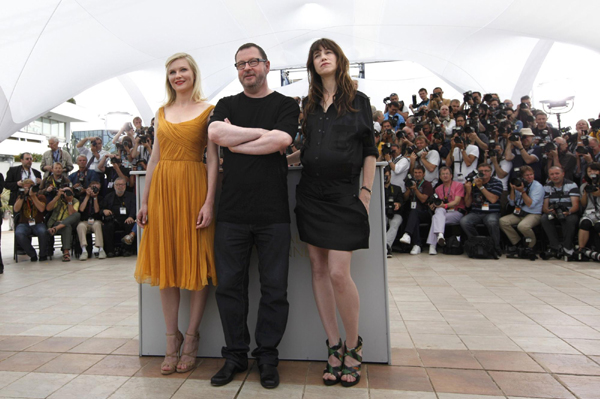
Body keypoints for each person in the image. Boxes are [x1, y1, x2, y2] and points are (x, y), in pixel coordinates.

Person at [208, 43, 298, 389]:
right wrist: (264, 135)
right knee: (229, 287)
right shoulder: (227, 104)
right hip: (231, 212)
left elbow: (283, 140)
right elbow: (216, 133)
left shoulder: (285, 104)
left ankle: (267, 356)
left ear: (267, 66)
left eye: (253, 62)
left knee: (275, 289)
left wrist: (237, 141)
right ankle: (234, 354)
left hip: (273, 212)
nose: (247, 68)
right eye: (241, 64)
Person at [292, 38, 377, 388]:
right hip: (310, 195)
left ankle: (354, 346)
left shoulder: (360, 102)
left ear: (338, 60)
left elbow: (369, 150)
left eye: (327, 52)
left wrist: (366, 193)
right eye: (316, 53)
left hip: (344, 197)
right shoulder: (308, 104)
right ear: (312, 64)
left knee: (339, 274)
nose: (322, 57)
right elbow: (307, 150)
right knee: (317, 270)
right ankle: (333, 345)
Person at [134, 52, 218, 376]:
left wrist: (209, 201)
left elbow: (212, 159)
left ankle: (192, 337)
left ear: (193, 74)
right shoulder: (161, 111)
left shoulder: (208, 110)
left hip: (194, 191)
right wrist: (144, 201)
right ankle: (172, 339)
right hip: (163, 194)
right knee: (165, 266)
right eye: (172, 72)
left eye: (183, 70)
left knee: (196, 266)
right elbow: (154, 159)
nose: (178, 76)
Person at [499, 165, 544, 257]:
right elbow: (512, 203)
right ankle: (518, 244)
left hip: (533, 213)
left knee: (523, 226)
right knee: (503, 221)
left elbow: (530, 204)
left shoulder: (537, 186)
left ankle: (531, 246)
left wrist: (522, 191)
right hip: (520, 213)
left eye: (531, 174)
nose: (529, 177)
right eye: (527, 175)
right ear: (522, 177)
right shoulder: (519, 184)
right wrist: (512, 189)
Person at [460, 163, 503, 257]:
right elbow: (467, 204)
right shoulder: (473, 183)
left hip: (492, 212)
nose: (483, 173)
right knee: (464, 221)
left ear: (491, 172)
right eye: (481, 171)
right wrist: (468, 191)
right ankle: (478, 243)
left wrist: (481, 187)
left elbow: (493, 199)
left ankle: (495, 247)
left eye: (486, 171)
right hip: (476, 212)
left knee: (492, 222)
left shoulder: (497, 183)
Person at [540, 166, 580, 259]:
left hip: (569, 212)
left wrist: (568, 212)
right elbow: (545, 207)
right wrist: (549, 211)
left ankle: (567, 247)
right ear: (549, 176)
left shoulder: (571, 185)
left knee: (569, 220)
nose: (555, 176)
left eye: (557, 173)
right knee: (544, 218)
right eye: (552, 174)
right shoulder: (546, 186)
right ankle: (555, 247)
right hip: (554, 212)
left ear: (563, 174)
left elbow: (575, 206)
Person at [426, 166, 465, 255]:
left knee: (435, 218)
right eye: (443, 174)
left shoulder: (458, 185)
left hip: (457, 212)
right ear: (440, 176)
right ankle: (440, 235)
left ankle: (432, 246)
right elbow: (438, 203)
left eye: (447, 174)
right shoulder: (438, 189)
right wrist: (433, 205)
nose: (445, 176)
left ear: (451, 175)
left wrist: (444, 205)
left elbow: (456, 201)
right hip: (444, 212)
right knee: (438, 213)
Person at [399, 165, 433, 255]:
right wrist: (409, 190)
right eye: (415, 173)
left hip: (425, 212)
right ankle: (417, 245)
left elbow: (423, 199)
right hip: (413, 213)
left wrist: (416, 189)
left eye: (419, 173)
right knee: (413, 216)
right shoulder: (411, 183)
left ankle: (407, 234)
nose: (417, 175)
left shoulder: (427, 184)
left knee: (414, 213)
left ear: (424, 174)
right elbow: (405, 199)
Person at [13, 179, 48, 262]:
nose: (28, 190)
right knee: (19, 233)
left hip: (38, 223)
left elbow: (42, 209)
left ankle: (43, 254)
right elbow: (16, 209)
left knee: (43, 232)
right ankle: (32, 254)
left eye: (30, 187)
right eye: (26, 188)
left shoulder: (41, 197)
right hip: (24, 223)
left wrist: (33, 196)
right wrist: (22, 196)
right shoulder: (21, 197)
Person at [101, 177, 136, 257]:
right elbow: (101, 209)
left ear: (125, 186)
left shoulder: (131, 196)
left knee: (130, 224)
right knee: (107, 226)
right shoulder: (108, 196)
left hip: (127, 219)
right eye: (118, 185)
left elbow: (134, 208)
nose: (120, 186)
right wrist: (104, 211)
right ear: (114, 186)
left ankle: (126, 250)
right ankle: (110, 250)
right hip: (113, 219)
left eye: (122, 184)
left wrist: (131, 216)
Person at [45, 185, 81, 262]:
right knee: (66, 226)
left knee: (73, 218)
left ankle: (66, 252)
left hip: (67, 225)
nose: (66, 194)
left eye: (68, 192)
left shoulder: (75, 201)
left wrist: (69, 201)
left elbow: (72, 214)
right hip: (56, 223)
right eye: (64, 192)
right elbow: (48, 208)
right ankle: (66, 253)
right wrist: (57, 197)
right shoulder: (58, 200)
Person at [76, 181, 106, 261]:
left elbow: (97, 211)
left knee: (97, 225)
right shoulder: (82, 197)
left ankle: (101, 249)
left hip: (96, 220)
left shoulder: (100, 198)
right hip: (85, 221)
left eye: (96, 188)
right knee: (80, 226)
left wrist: (95, 197)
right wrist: (87, 196)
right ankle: (84, 250)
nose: (94, 190)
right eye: (92, 188)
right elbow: (81, 209)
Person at [577, 164, 600, 252]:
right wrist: (585, 193)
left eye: (594, 171)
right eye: (589, 171)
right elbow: (583, 204)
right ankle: (581, 250)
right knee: (585, 223)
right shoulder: (584, 186)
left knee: (599, 225)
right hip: (590, 212)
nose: (592, 173)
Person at [383, 167, 403, 258]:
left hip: (395, 213)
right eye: (383, 176)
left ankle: (385, 245)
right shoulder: (377, 189)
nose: (385, 178)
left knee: (395, 223)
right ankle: (386, 248)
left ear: (390, 176)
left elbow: (401, 201)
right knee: (381, 222)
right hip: (382, 213)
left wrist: (398, 204)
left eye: (387, 176)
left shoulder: (397, 188)